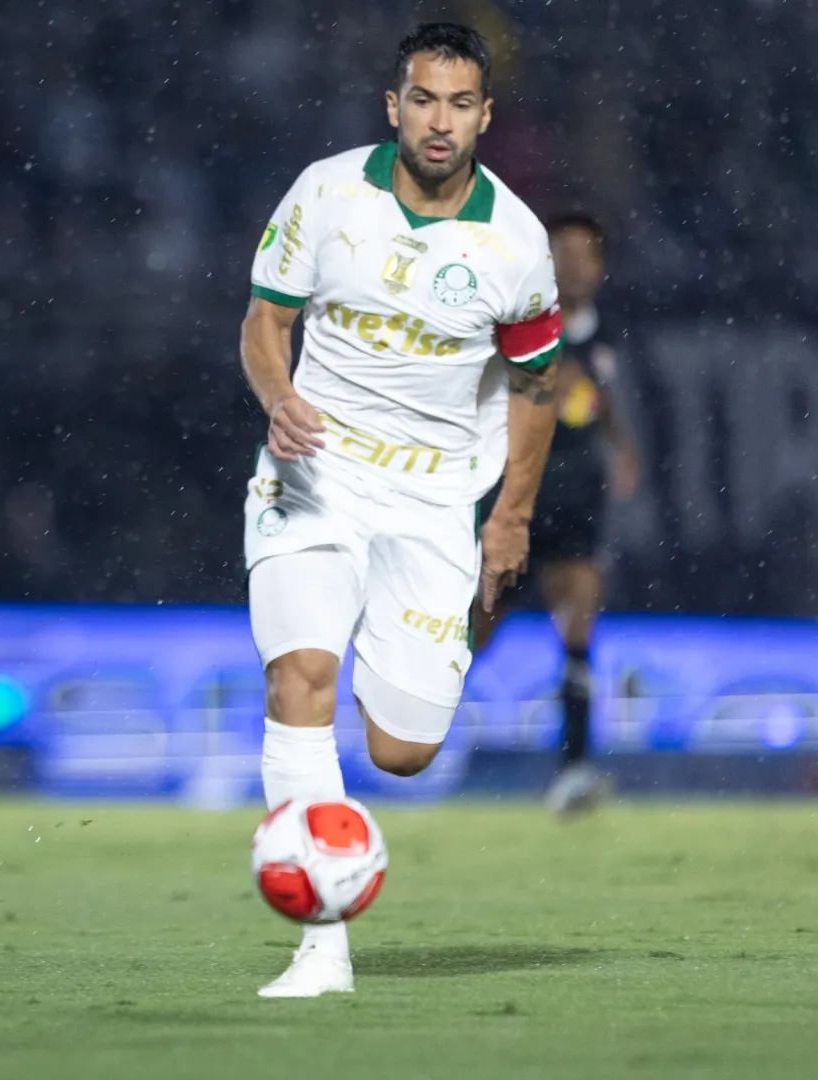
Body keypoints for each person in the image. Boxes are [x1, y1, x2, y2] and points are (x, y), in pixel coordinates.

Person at [238, 23, 562, 998]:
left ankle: (418, 662)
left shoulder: (516, 240)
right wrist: (279, 397)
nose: (440, 121)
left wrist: (509, 519)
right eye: (424, 99)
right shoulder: (327, 193)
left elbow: (536, 386)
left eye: (461, 104)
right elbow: (266, 321)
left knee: (404, 751)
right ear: (394, 105)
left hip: (433, 498)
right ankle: (321, 945)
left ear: (486, 117)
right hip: (316, 475)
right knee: (300, 676)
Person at [473, 213, 638, 815]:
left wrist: (621, 447)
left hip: (576, 496)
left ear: (599, 268)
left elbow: (601, 395)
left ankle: (573, 767)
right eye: (560, 253)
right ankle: (406, 730)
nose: (571, 266)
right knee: (477, 629)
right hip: (516, 492)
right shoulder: (517, 323)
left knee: (578, 627)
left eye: (583, 255)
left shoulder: (605, 332)